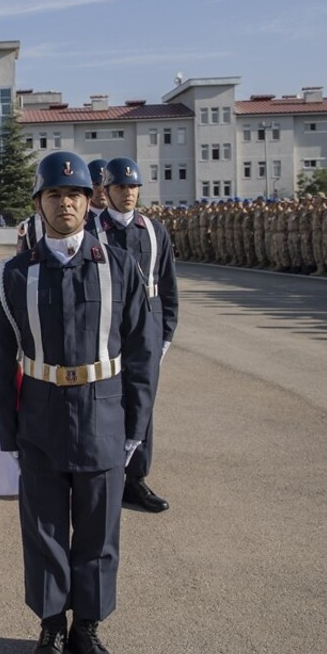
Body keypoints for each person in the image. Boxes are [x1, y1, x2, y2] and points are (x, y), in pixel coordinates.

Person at [0, 150, 156, 654]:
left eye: (76, 195)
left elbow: (143, 352)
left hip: (103, 413)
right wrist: (7, 429)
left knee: (99, 528)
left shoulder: (120, 267)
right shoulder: (16, 275)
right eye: (55, 195)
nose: (66, 204)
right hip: (40, 412)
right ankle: (50, 626)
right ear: (39, 203)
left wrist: (135, 427)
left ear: (92, 201)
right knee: (43, 527)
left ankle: (89, 627)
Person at [97, 157, 177, 514]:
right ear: (106, 191)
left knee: (142, 404)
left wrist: (166, 334)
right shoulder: (92, 230)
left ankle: (136, 479)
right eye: (120, 187)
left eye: (132, 187)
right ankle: (104, 473)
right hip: (107, 329)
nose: (127, 194)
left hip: (147, 330)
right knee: (105, 401)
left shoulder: (154, 230)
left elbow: (168, 286)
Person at [86, 159, 109, 229]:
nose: (101, 189)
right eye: (96, 184)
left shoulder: (120, 220)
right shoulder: (79, 221)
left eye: (106, 184)